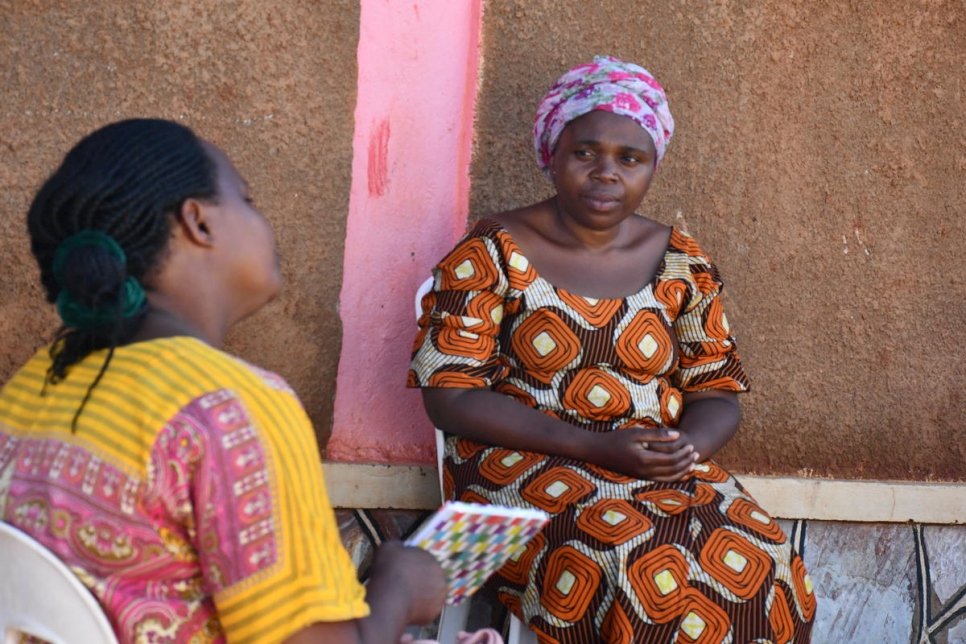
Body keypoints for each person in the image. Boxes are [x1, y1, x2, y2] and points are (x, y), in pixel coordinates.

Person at [409, 56, 816, 643]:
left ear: (653, 167)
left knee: (766, 560)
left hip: (653, 465)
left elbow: (717, 389)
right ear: (552, 154)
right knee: (626, 557)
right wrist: (595, 446)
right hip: (521, 462)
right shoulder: (491, 250)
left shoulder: (682, 261)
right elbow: (448, 396)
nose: (606, 173)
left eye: (629, 159)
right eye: (585, 153)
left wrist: (682, 449)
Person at [0, 118, 448, 644]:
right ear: (199, 223)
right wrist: (398, 589)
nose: (263, 220)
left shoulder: (35, 382)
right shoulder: (229, 409)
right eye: (248, 200)